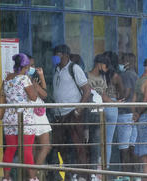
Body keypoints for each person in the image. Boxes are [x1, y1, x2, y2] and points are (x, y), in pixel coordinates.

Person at [52, 44, 91, 180]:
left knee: (78, 146)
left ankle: (82, 176)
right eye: (55, 54)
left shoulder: (74, 68)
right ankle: (69, 175)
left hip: (72, 113)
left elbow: (87, 90)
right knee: (62, 147)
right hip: (59, 115)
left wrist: (78, 109)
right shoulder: (56, 70)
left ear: (66, 55)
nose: (56, 57)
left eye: (59, 54)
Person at [2, 53, 38, 181]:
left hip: (9, 117)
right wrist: (34, 85)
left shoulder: (7, 78)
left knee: (10, 149)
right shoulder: (24, 79)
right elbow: (33, 97)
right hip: (25, 117)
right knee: (27, 149)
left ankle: (6, 178)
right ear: (26, 66)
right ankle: (32, 178)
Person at [86, 53, 120, 171]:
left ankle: (103, 168)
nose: (106, 69)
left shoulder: (102, 78)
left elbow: (104, 95)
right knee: (91, 142)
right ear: (99, 64)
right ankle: (93, 169)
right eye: (105, 66)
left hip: (101, 112)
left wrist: (115, 103)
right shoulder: (86, 76)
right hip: (90, 113)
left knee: (103, 141)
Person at [27, 55, 52, 169]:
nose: (33, 68)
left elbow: (43, 92)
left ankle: (33, 174)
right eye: (31, 65)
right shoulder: (27, 80)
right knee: (44, 147)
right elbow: (45, 95)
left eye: (33, 65)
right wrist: (38, 85)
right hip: (35, 116)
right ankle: (33, 174)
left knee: (36, 148)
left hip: (37, 116)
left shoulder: (30, 79)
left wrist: (41, 77)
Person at [102, 51, 125, 167]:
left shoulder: (99, 75)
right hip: (112, 105)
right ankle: (105, 167)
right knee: (108, 141)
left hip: (99, 105)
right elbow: (122, 94)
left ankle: (96, 167)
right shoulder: (116, 76)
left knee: (98, 139)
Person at [117, 53, 139, 172]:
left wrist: (117, 98)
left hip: (125, 112)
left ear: (127, 62)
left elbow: (127, 92)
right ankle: (134, 172)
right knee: (132, 144)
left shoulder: (125, 75)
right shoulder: (135, 75)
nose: (120, 63)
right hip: (133, 113)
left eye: (122, 60)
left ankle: (125, 172)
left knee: (123, 145)